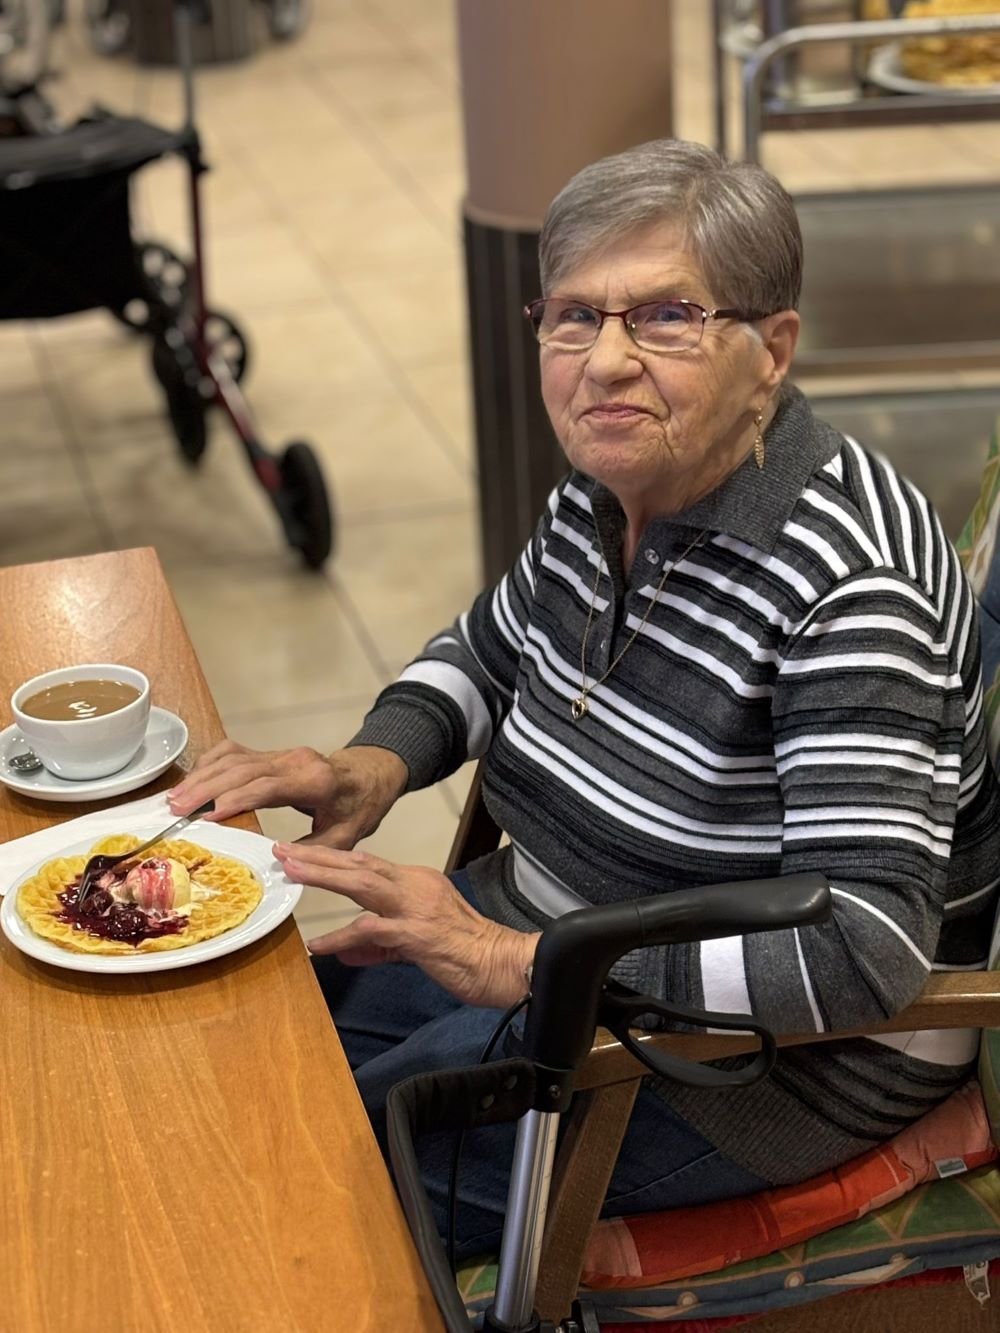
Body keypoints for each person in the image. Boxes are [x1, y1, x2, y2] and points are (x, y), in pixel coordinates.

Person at [168, 139, 1000, 1260]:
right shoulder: (614, 483)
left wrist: (520, 961)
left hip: (758, 1061)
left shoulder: (850, 587)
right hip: (552, 949)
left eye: (665, 317)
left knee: (285, 1188)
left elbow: (864, 955)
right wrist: (367, 764)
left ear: (771, 352)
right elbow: (489, 647)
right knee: (234, 1054)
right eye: (573, 316)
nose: (604, 361)